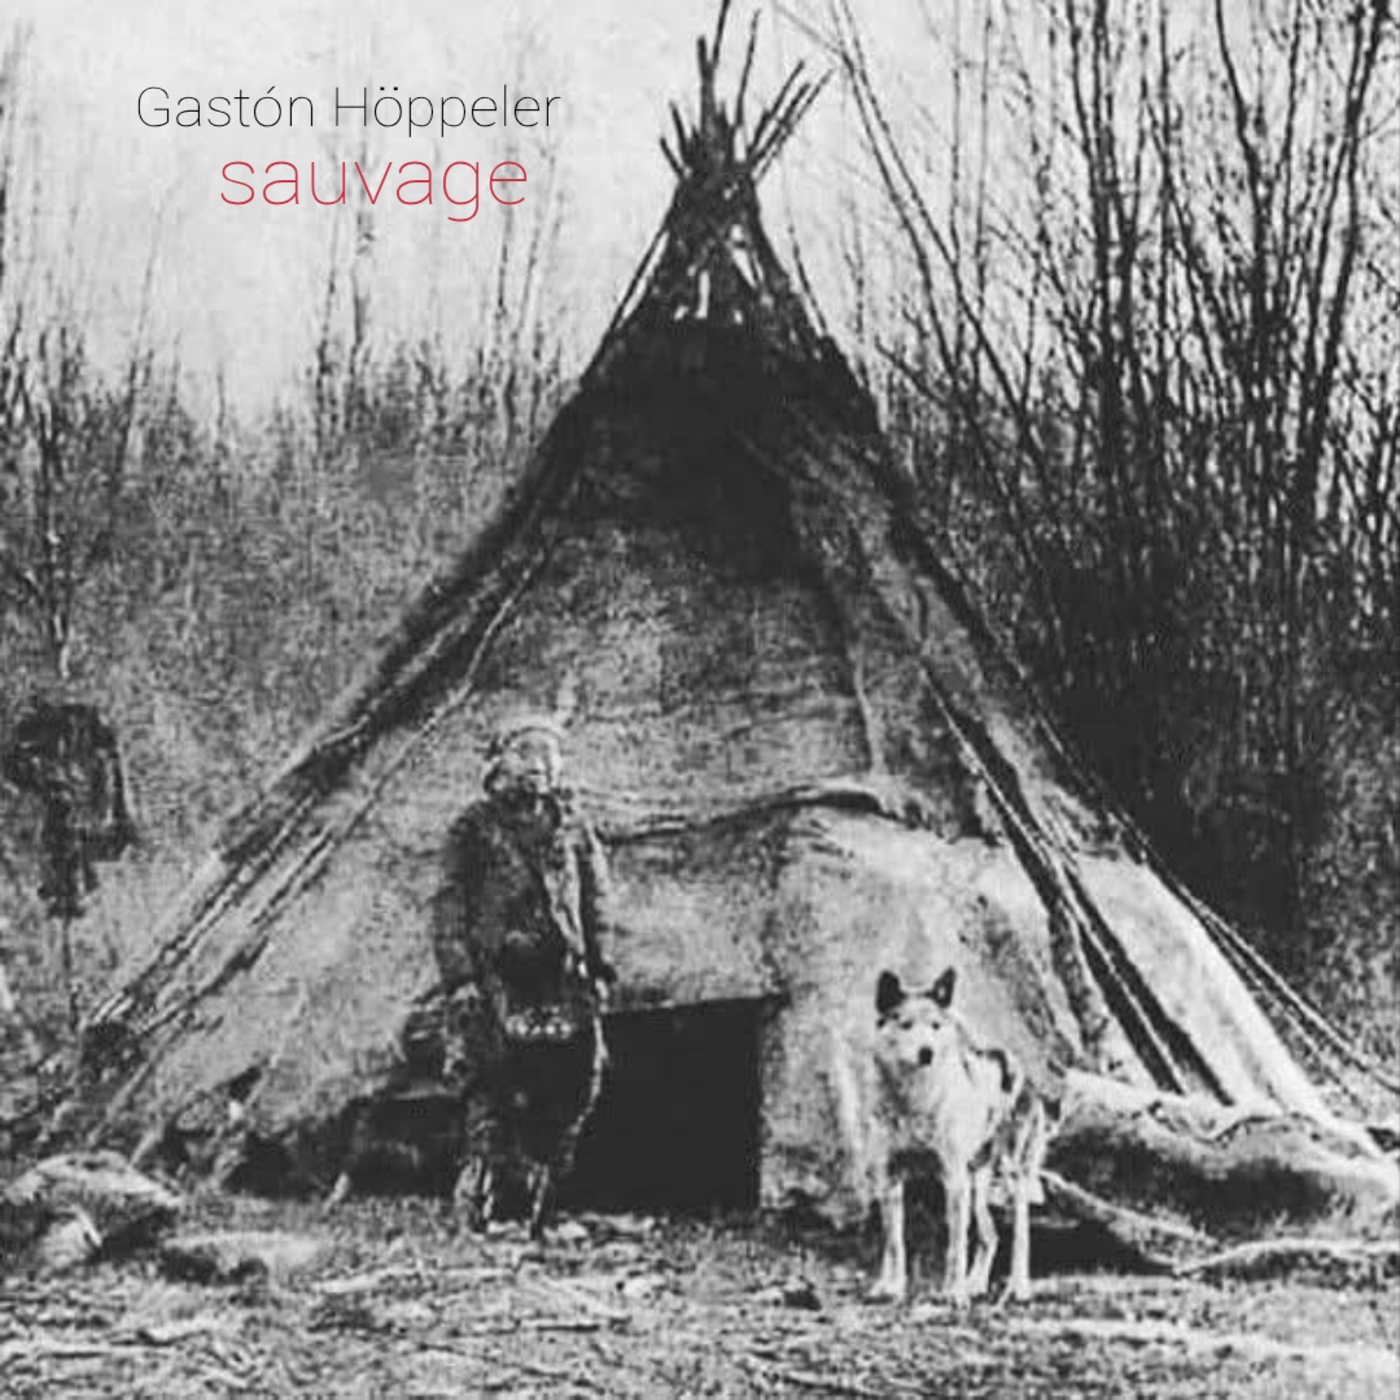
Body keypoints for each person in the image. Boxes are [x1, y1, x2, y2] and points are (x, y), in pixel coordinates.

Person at [430, 716, 615, 1235]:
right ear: (498, 764)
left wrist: (600, 965)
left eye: (550, 754)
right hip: (498, 980)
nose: (540, 764)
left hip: (562, 979)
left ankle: (545, 1203)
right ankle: (488, 1202)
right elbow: (448, 905)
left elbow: (596, 897)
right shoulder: (472, 828)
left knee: (573, 1084)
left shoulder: (572, 826)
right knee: (495, 1086)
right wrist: (461, 978)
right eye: (526, 752)